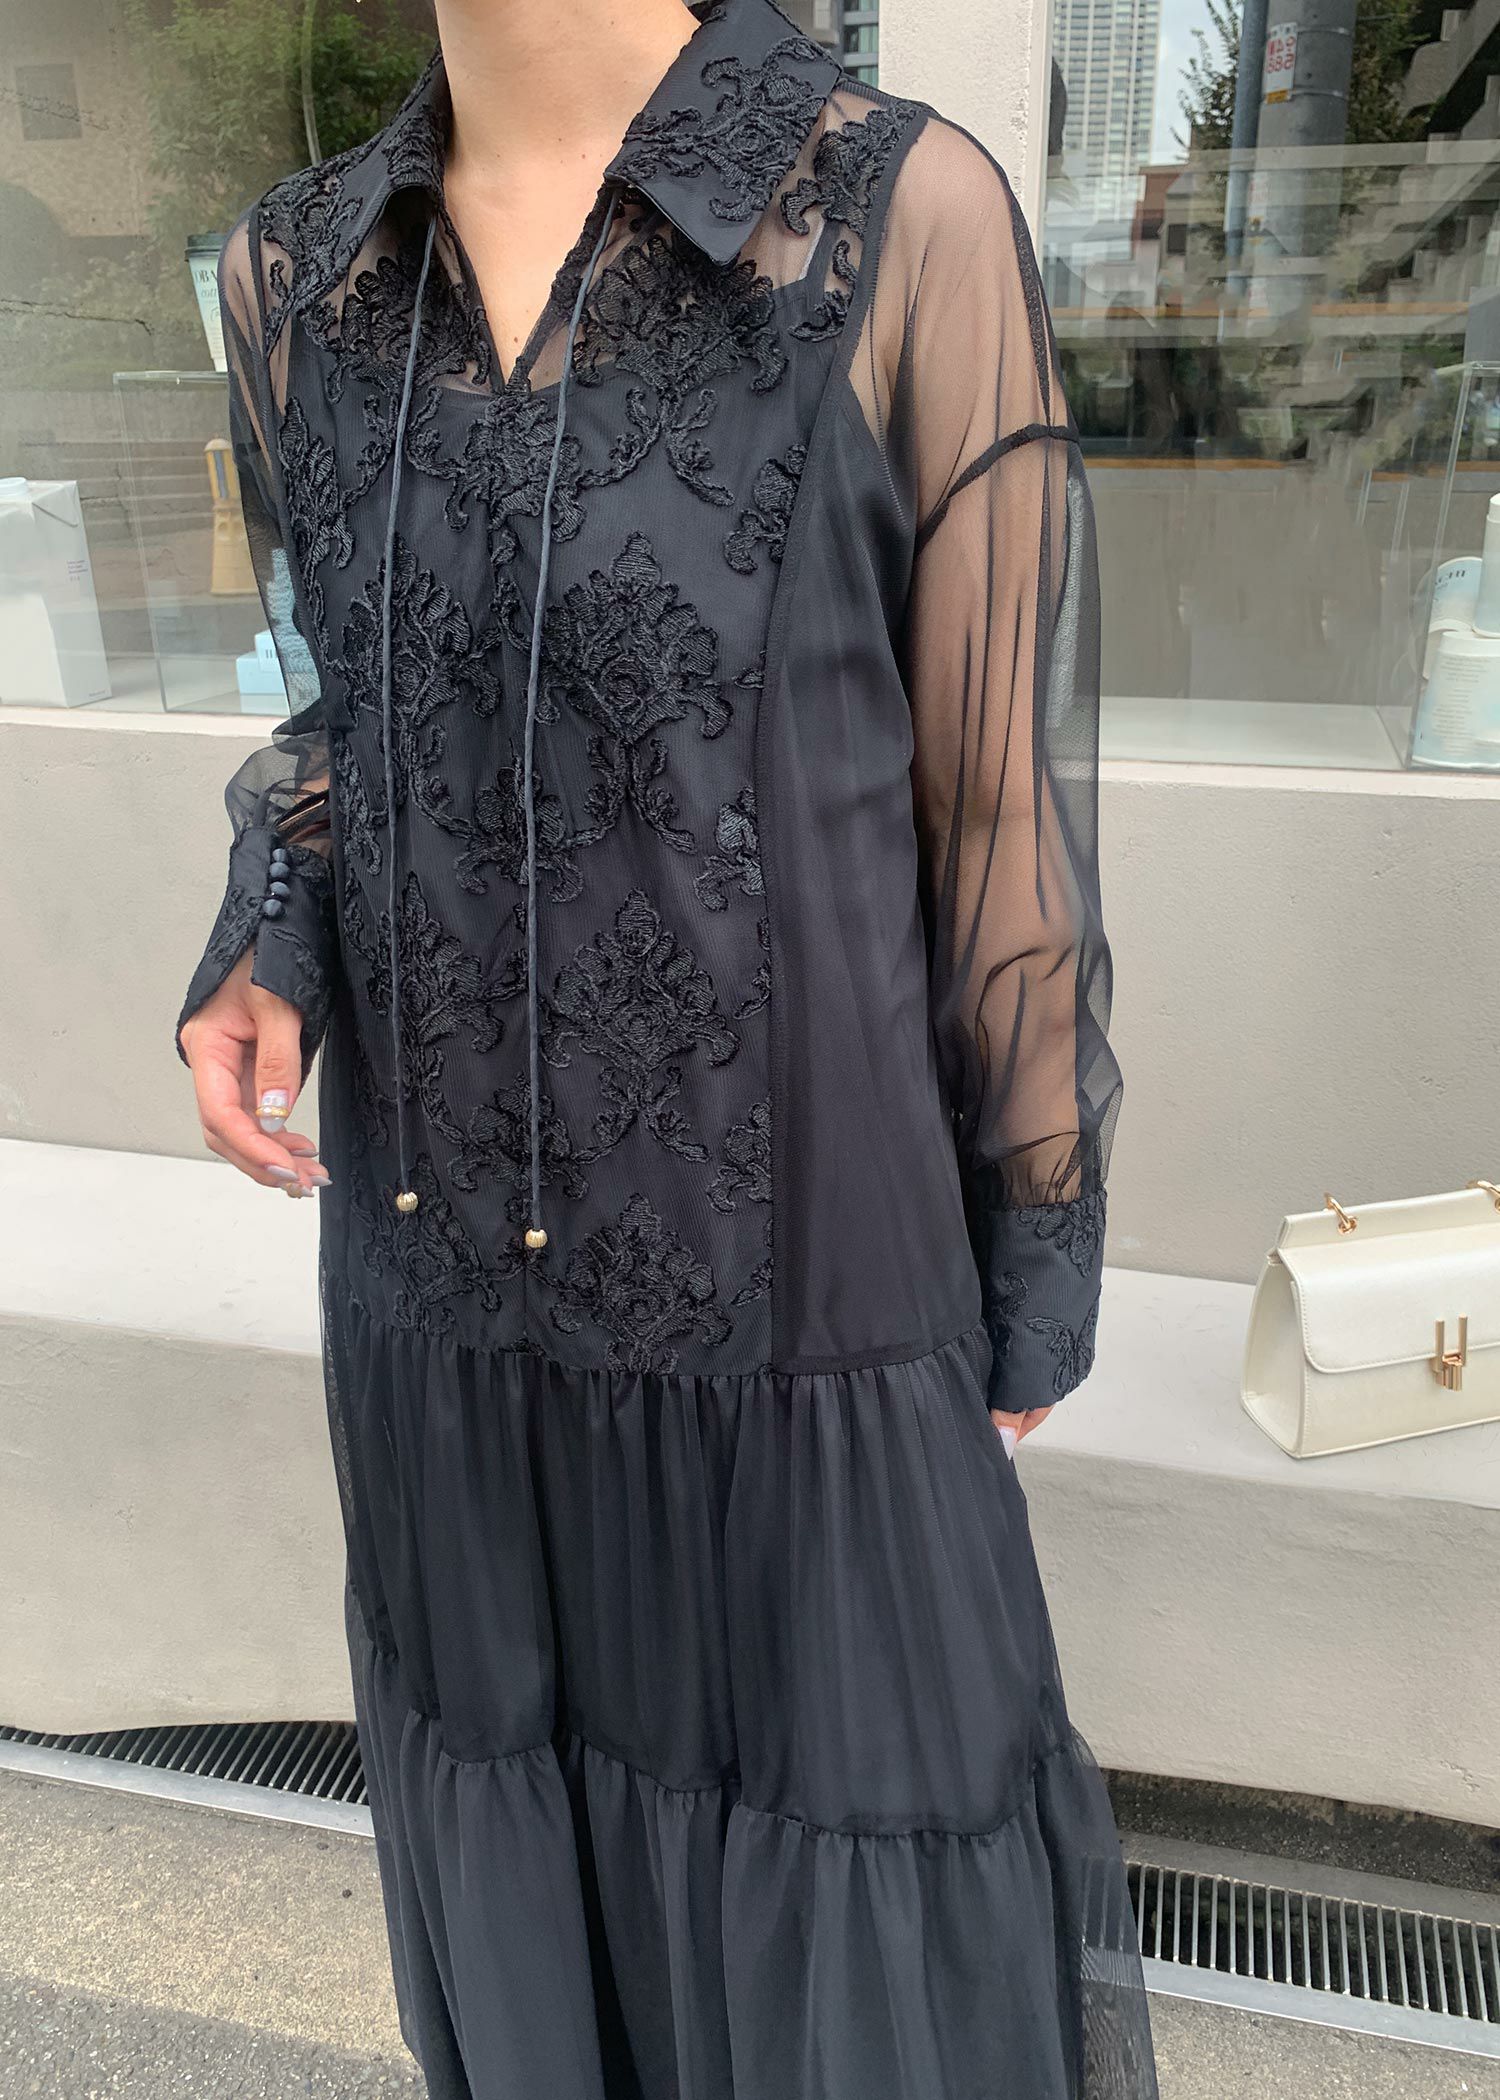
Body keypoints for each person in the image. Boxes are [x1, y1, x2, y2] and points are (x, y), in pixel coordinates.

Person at [175, 0, 1155, 2091]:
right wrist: (272, 932)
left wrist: (1035, 1235)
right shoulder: (299, 275)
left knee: (851, 1956)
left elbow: (992, 806)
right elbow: (355, 707)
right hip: (444, 1325)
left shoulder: (892, 219)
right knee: (541, 1927)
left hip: (801, 1329)